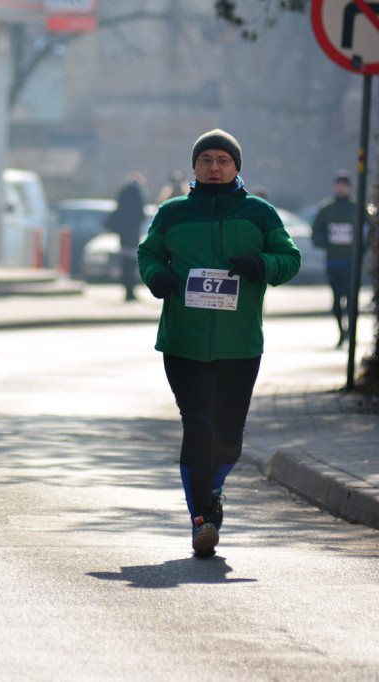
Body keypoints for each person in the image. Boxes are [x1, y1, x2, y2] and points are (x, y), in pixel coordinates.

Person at [137, 129, 301, 558]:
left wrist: (261, 264)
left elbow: (290, 259)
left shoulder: (259, 213)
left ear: (236, 167)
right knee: (198, 427)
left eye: (222, 160)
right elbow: (148, 254)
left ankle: (212, 491)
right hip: (183, 343)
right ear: (194, 166)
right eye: (206, 160)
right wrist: (157, 276)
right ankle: (202, 520)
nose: (214, 167)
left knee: (227, 437)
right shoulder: (172, 213)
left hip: (239, 345)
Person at [311, 171, 357, 347]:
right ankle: (341, 332)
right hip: (333, 262)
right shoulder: (327, 208)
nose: (341, 188)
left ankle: (352, 333)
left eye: (344, 186)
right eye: (338, 185)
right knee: (337, 300)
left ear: (349, 188)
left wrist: (361, 249)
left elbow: (370, 231)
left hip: (352, 263)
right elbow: (315, 232)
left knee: (351, 300)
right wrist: (324, 243)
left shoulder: (356, 207)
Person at [105, 171, 147, 301]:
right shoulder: (138, 194)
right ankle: (131, 291)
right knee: (132, 263)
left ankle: (126, 290)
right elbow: (141, 215)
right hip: (133, 234)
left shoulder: (122, 193)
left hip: (123, 234)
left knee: (124, 262)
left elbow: (118, 211)